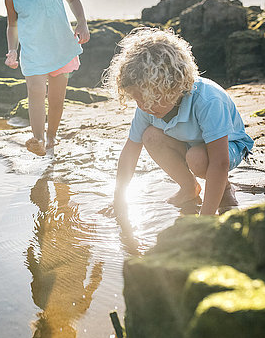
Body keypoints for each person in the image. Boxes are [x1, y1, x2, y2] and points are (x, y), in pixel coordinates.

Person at [103, 27, 254, 216]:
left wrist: (205, 219)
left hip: (229, 146)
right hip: (192, 142)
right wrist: (118, 201)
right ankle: (189, 187)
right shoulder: (147, 107)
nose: (142, 106)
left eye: (148, 98)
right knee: (150, 136)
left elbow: (220, 162)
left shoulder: (208, 101)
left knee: (198, 159)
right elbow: (129, 153)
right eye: (136, 99)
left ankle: (225, 189)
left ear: (172, 86)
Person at [0, 0, 90, 156]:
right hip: (33, 54)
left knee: (56, 100)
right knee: (35, 93)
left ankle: (52, 135)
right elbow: (12, 25)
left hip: (61, 49)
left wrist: (82, 23)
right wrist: (12, 50)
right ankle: (38, 139)